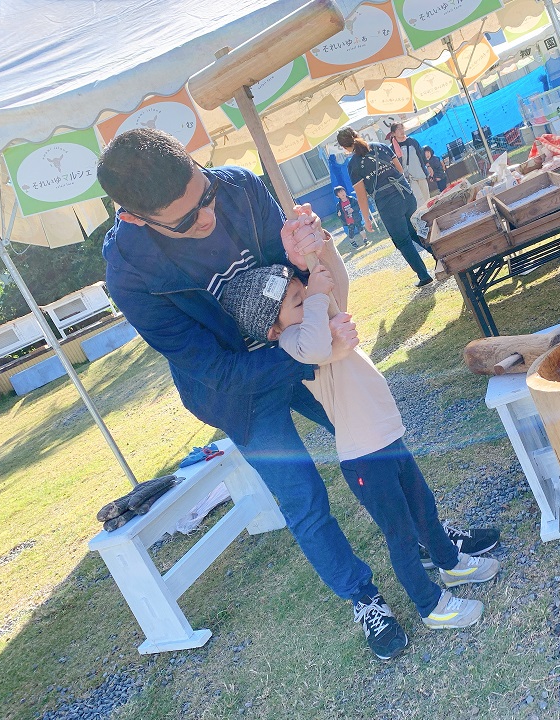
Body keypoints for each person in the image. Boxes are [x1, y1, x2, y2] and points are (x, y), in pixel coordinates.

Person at [96, 128, 493, 660]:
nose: (208, 216)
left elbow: (297, 279)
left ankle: (433, 541)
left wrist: (308, 252)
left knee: (381, 448)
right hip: (238, 390)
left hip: (304, 345)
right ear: (135, 217)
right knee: (304, 497)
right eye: (187, 220)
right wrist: (308, 348)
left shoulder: (238, 186)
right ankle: (363, 598)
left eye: (206, 194)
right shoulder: (129, 274)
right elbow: (213, 369)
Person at [220, 261, 500, 641]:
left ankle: (450, 563)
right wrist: (315, 296)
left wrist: (319, 249)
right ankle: (431, 606)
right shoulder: (294, 344)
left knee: (424, 508)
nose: (311, 300)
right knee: (401, 535)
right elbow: (315, 343)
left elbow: (337, 285)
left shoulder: (319, 320)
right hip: (365, 457)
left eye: (306, 294)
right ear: (274, 330)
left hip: (386, 439)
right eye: (299, 302)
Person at [336, 126, 434, 287]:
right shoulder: (380, 146)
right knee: (416, 231)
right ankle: (440, 257)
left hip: (388, 204)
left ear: (344, 147)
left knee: (402, 241)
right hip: (406, 195)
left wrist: (366, 218)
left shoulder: (353, 164)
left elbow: (361, 195)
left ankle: (424, 276)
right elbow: (400, 170)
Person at [388, 122, 430, 207]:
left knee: (427, 197)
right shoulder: (392, 148)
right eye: (398, 129)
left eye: (402, 128)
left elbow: (421, 155)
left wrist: (428, 166)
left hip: (420, 173)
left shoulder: (412, 141)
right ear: (393, 133)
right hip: (408, 178)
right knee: (419, 200)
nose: (401, 130)